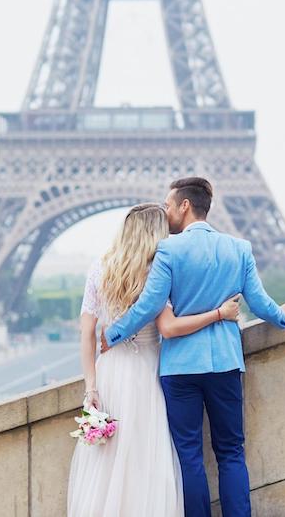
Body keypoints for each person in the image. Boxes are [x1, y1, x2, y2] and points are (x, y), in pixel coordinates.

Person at [102, 177, 285, 517]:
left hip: (181, 369)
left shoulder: (168, 251)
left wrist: (111, 336)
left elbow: (146, 306)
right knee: (231, 452)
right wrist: (282, 314)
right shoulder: (239, 248)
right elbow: (259, 304)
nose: (166, 212)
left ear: (184, 206)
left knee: (189, 454)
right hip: (225, 364)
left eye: (169, 206)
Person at [67, 203, 242, 517]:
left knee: (110, 457)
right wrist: (220, 314)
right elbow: (169, 327)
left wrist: (90, 389)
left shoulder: (99, 268)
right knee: (152, 455)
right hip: (151, 368)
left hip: (111, 372)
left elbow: (87, 333)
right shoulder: (159, 272)